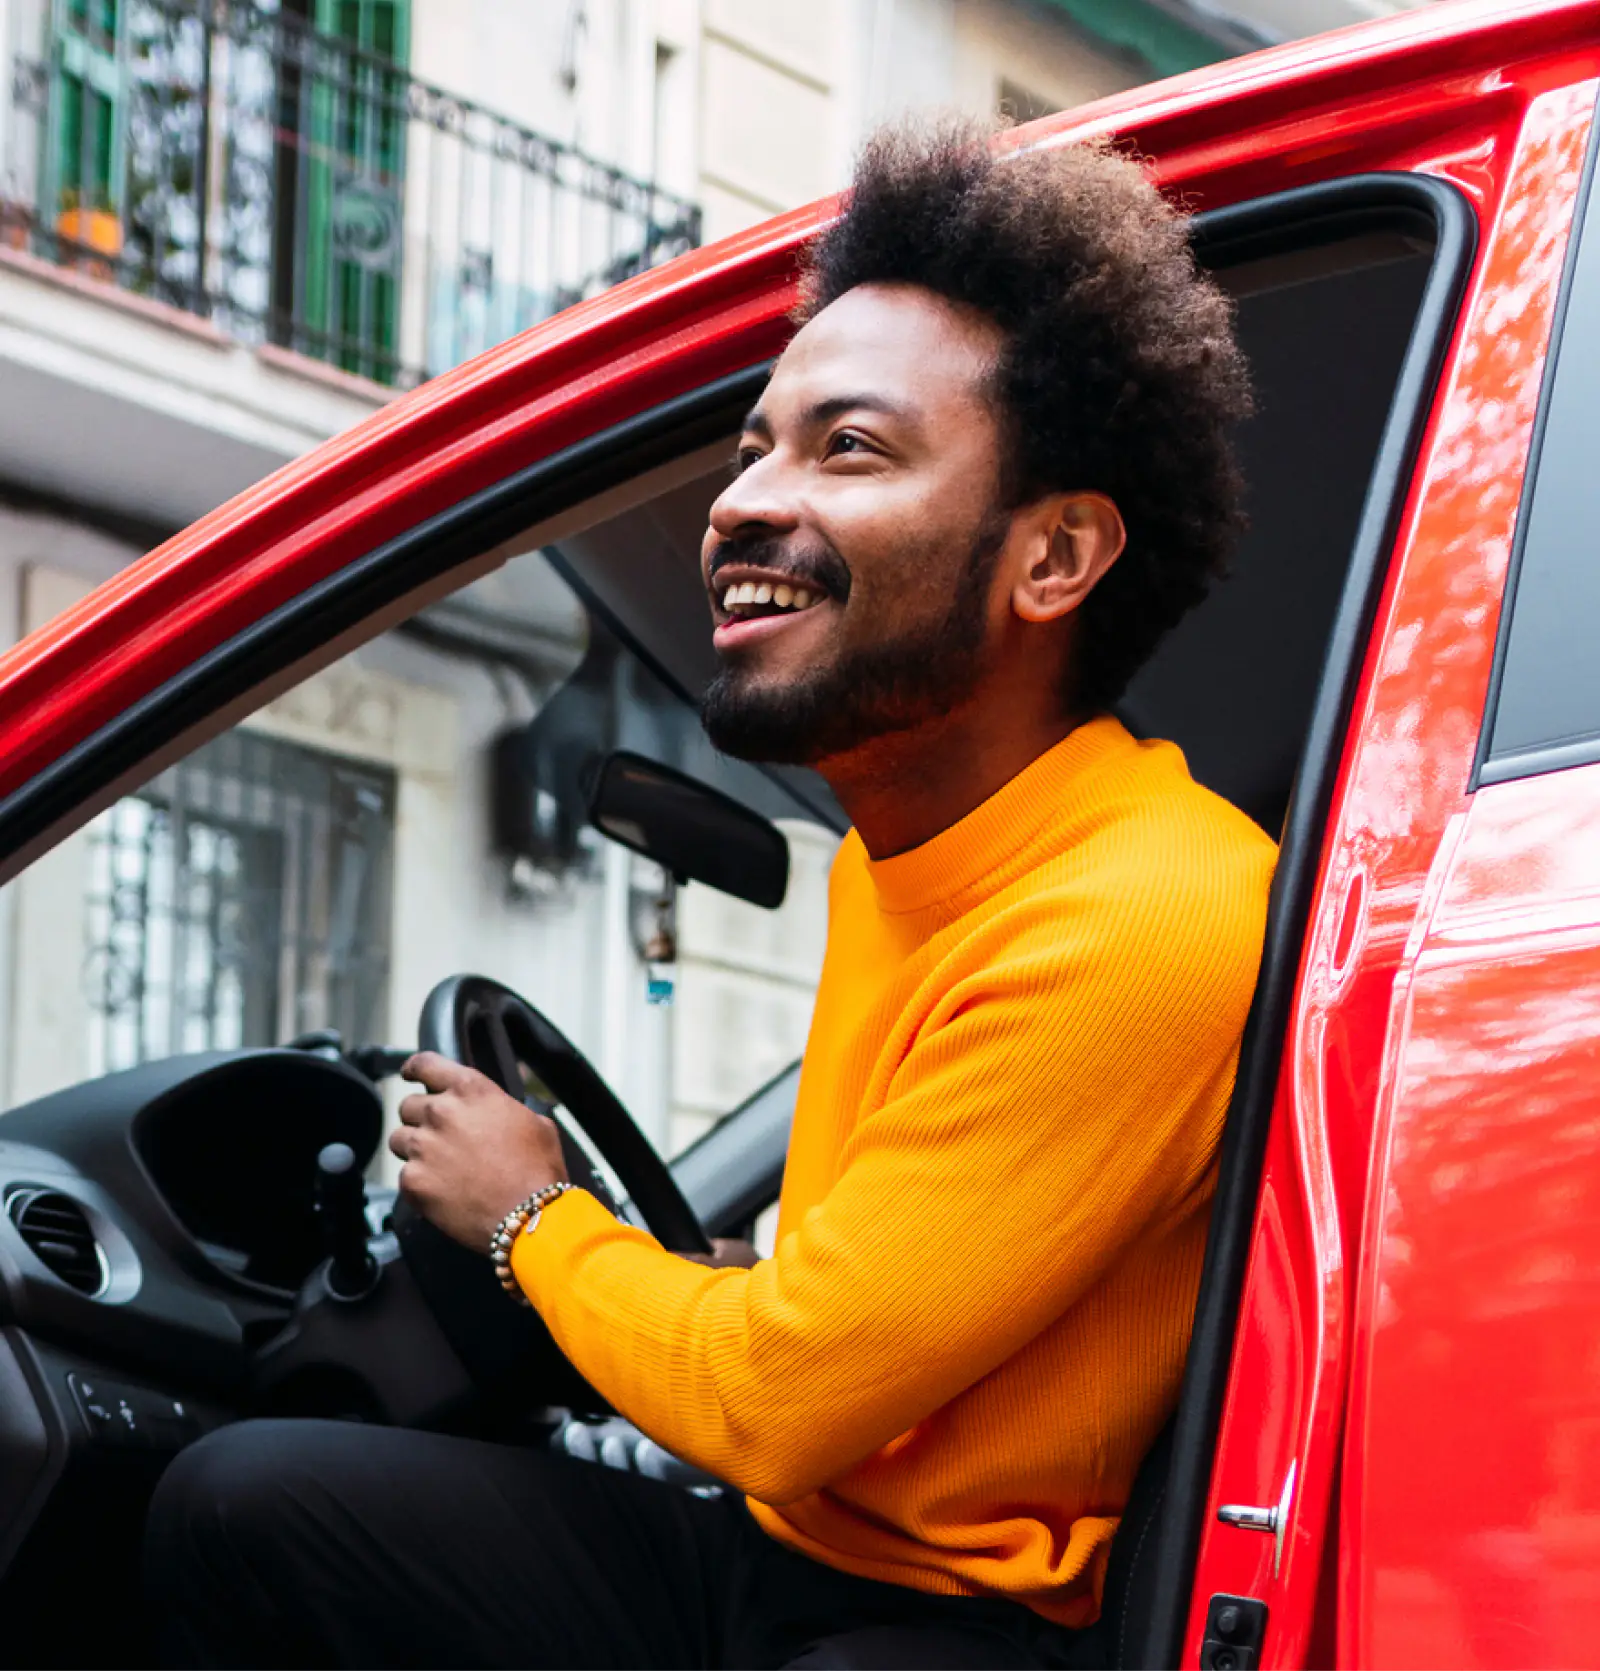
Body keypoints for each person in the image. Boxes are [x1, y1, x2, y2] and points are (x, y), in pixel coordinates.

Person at [145, 119, 1274, 1670]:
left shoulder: (1144, 912)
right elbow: (857, 1295)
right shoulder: (915, 844)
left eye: (849, 448)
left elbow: (780, 1393)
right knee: (243, 1500)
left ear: (1055, 554)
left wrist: (532, 1215)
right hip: (791, 1543)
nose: (743, 501)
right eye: (757, 446)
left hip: (951, 1628)